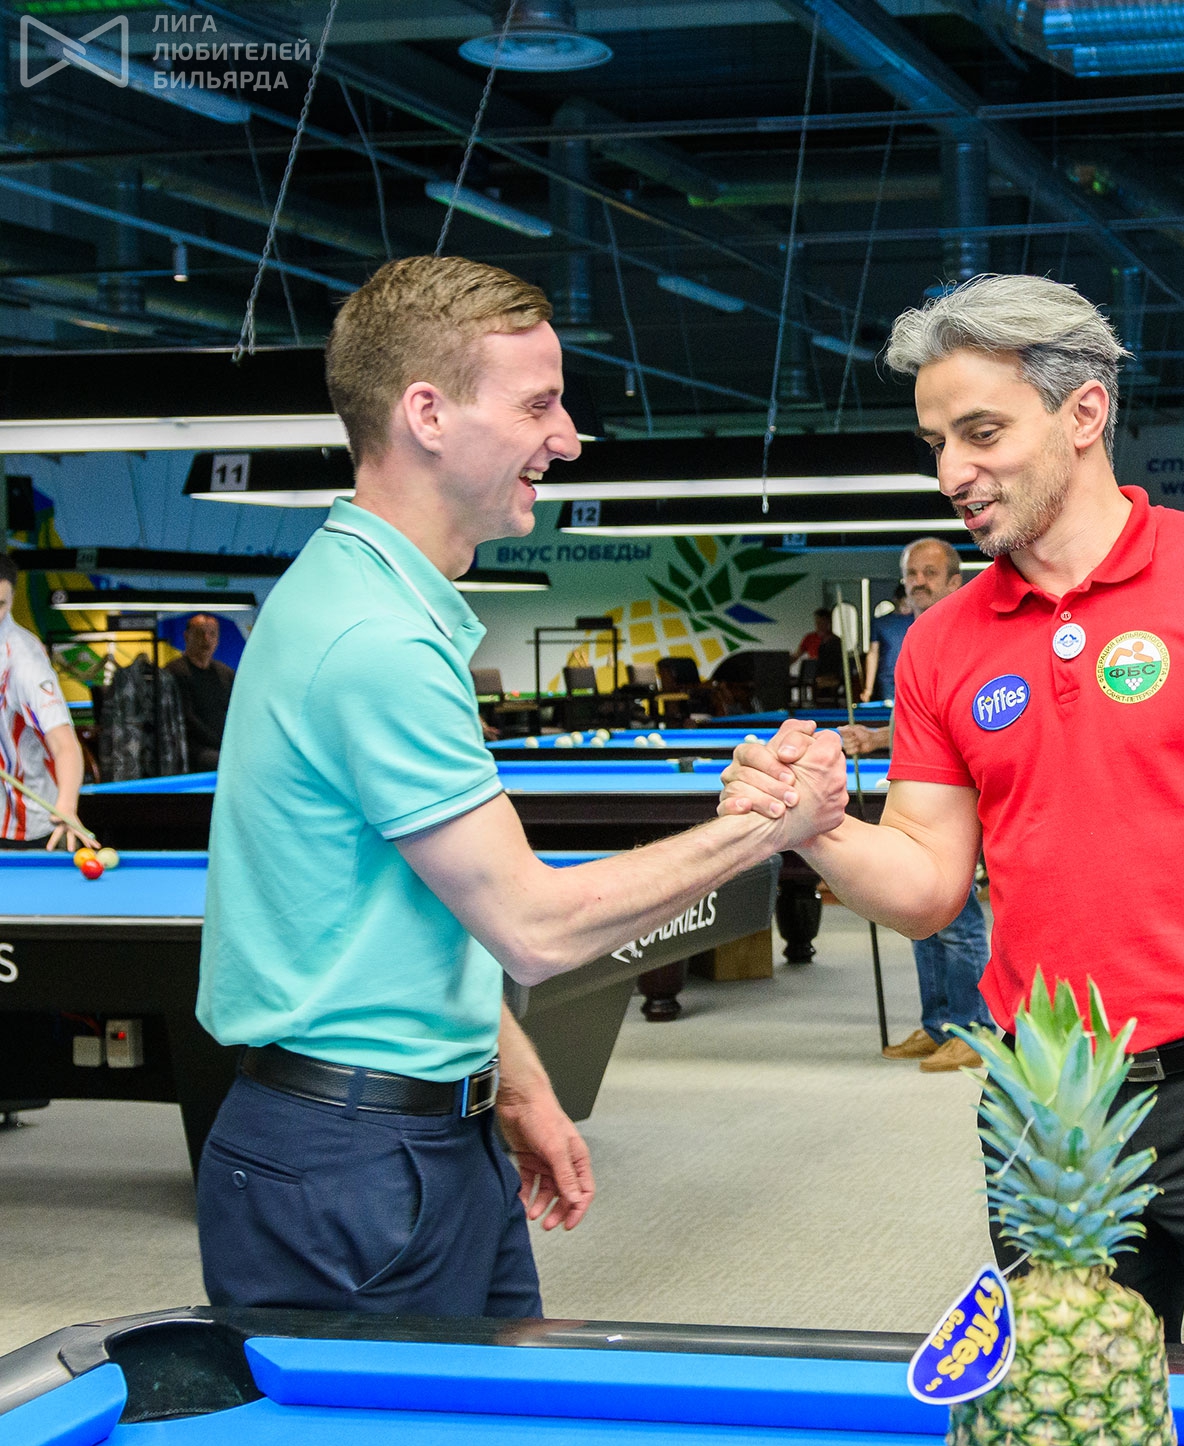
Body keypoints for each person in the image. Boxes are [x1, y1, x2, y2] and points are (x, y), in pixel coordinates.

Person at [720, 274, 1184, 1350]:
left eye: (981, 433)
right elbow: (930, 883)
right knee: (1072, 1417)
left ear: (1084, 414)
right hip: (1047, 1103)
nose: (952, 471)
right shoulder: (941, 643)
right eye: (936, 442)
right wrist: (820, 826)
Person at [197, 255, 847, 1317]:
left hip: (421, 1135)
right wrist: (769, 823)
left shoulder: (372, 601)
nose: (569, 437)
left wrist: (515, 1079)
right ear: (427, 415)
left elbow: (419, 911)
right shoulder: (373, 637)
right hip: (353, 1167)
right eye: (538, 405)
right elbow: (534, 927)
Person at [841, 539, 994, 1072]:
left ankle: (974, 1030)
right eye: (911, 573)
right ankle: (939, 1026)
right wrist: (876, 738)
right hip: (917, 788)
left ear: (954, 580)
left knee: (957, 915)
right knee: (921, 913)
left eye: (930, 572)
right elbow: (923, 723)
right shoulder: (915, 639)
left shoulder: (971, 635)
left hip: (958, 794)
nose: (919, 581)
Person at [0, 551, 83, 850]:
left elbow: (64, 744)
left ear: (12, 599)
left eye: (0, 604)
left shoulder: (24, 661)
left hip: (24, 823)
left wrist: (67, 805)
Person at [166, 613, 236, 770]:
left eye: (212, 634)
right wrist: (220, 743)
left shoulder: (226, 673)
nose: (206, 639)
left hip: (224, 746)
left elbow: (238, 713)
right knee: (226, 764)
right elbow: (187, 719)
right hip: (191, 748)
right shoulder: (174, 672)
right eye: (200, 633)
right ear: (186, 637)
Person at [862, 583, 911, 704]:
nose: (906, 607)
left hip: (914, 679)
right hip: (888, 679)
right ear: (895, 600)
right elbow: (873, 654)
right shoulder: (880, 623)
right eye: (903, 602)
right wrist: (868, 689)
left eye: (909, 602)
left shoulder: (920, 620)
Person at [791, 608, 836, 705]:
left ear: (828, 622)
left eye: (822, 622)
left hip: (829, 673)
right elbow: (796, 655)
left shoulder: (835, 640)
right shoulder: (809, 638)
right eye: (817, 622)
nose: (819, 625)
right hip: (812, 673)